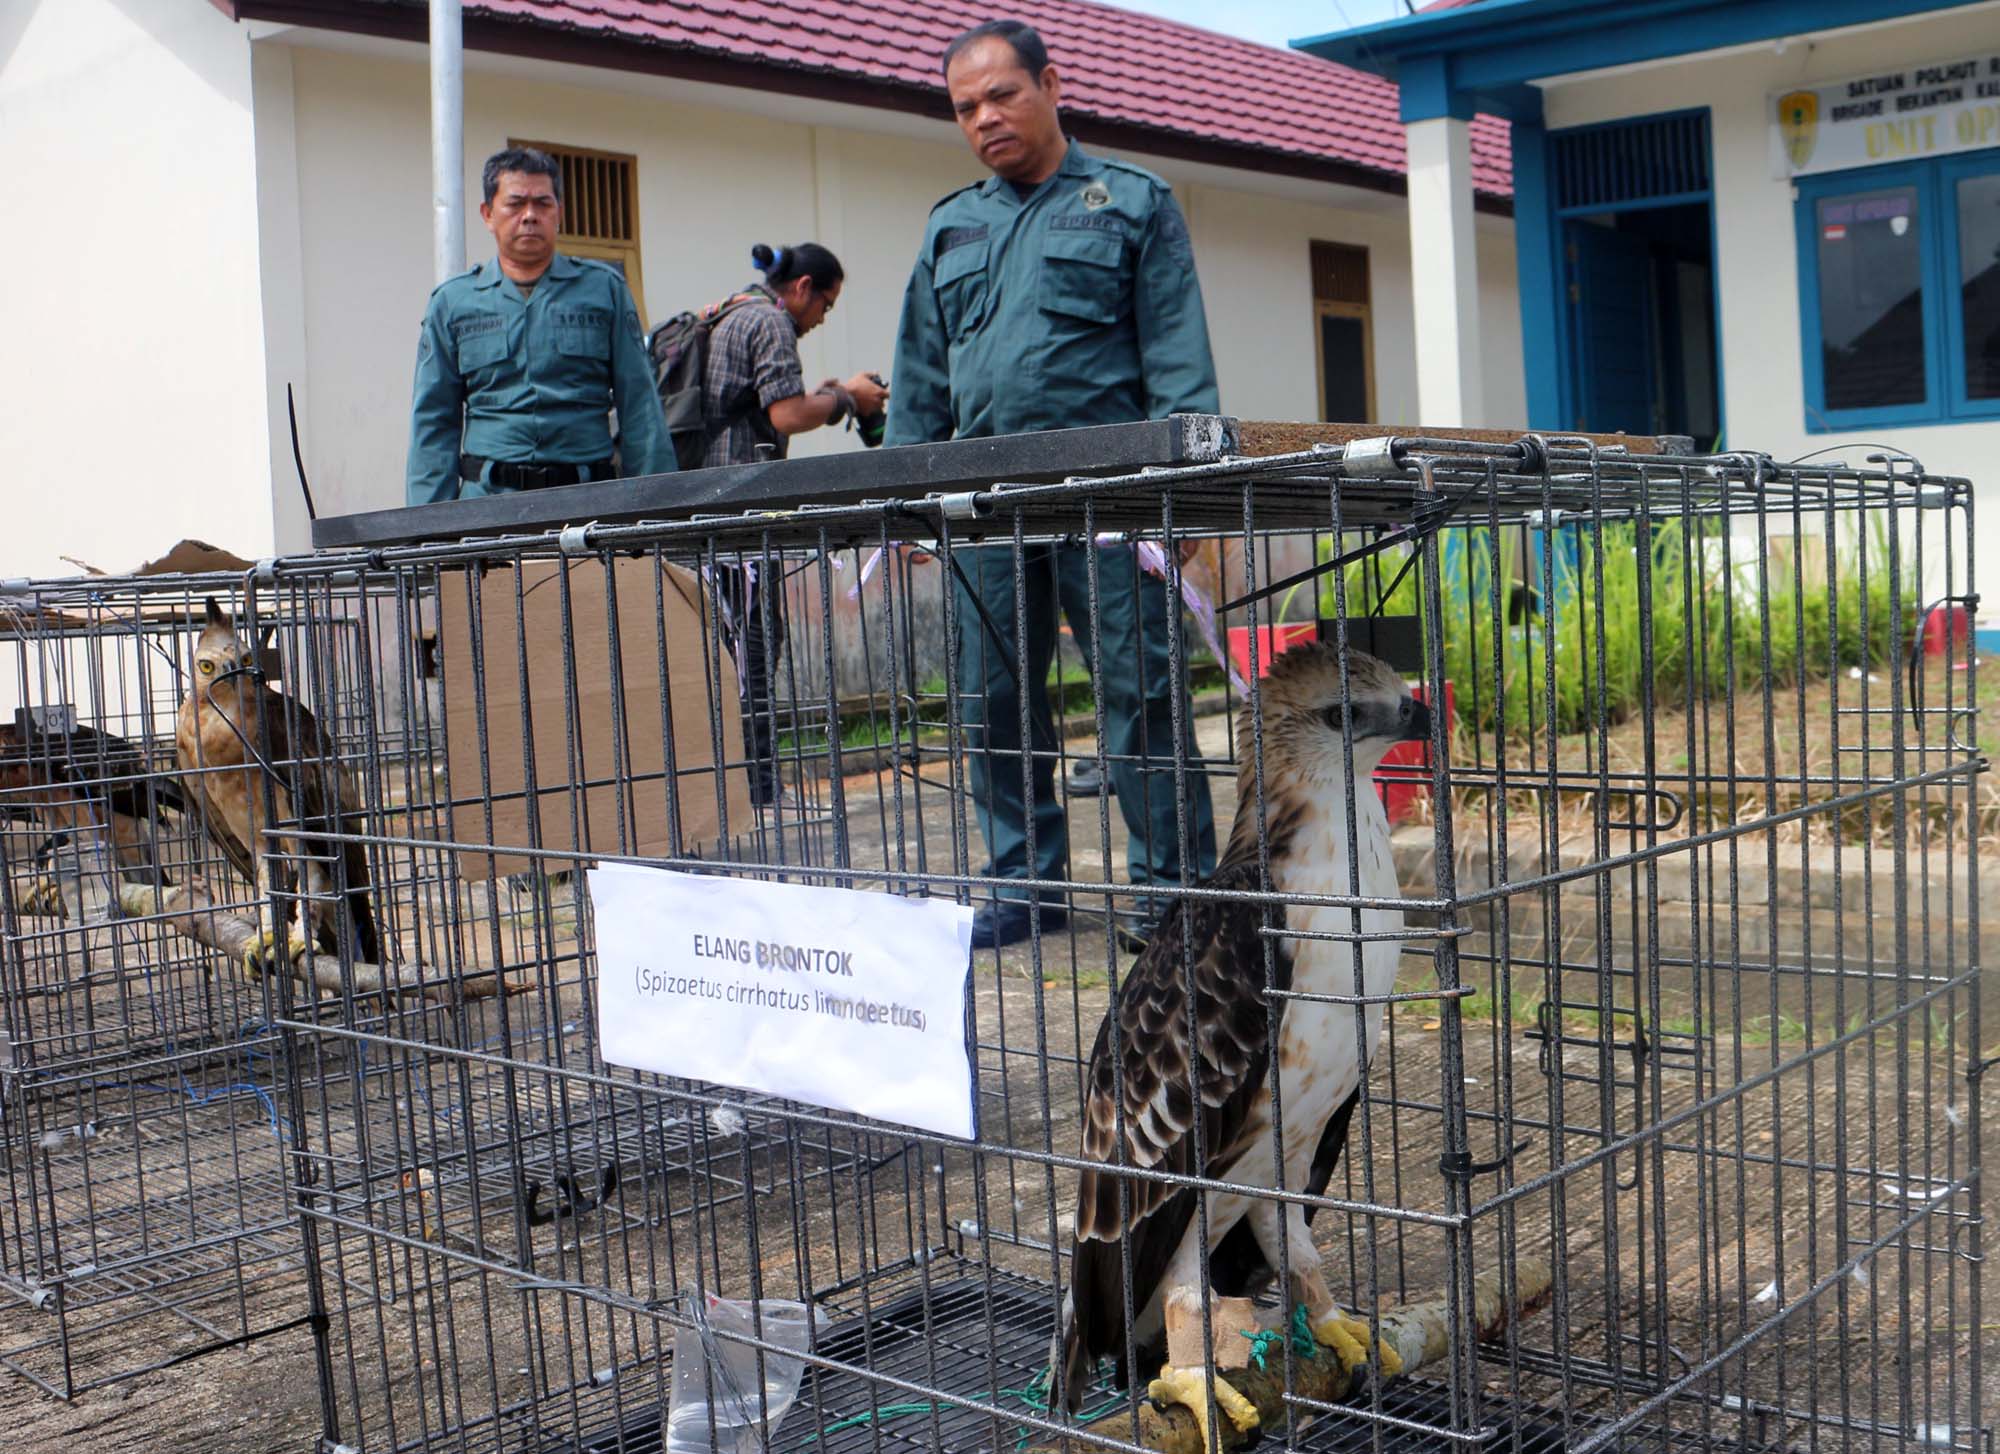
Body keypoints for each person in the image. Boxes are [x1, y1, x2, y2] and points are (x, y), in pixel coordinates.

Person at [885, 19, 1218, 950]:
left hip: (1106, 498)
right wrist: (909, 498)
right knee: (993, 695)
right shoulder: (952, 224)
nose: (984, 118)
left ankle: (1176, 898)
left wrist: (1180, 497)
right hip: (985, 506)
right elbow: (918, 375)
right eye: (964, 108)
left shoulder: (1132, 203)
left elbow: (1179, 362)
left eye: (1001, 95)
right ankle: (1024, 884)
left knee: (1139, 692)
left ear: (1051, 84)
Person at [702, 243, 889, 805]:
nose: (821, 319)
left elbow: (765, 404)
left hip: (698, 511)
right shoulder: (770, 321)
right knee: (757, 649)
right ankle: (758, 788)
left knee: (713, 654)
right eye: (825, 305)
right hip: (740, 518)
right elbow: (787, 414)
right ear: (803, 287)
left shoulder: (725, 312)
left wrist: (828, 396)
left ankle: (719, 784)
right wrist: (848, 400)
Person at [406, 146, 674, 505]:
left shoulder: (604, 289)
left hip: (588, 505)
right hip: (487, 508)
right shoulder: (454, 302)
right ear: (487, 214)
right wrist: (428, 535)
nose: (530, 216)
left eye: (542, 204)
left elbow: (640, 406)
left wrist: (657, 511)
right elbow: (433, 421)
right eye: (515, 204)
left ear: (559, 213)